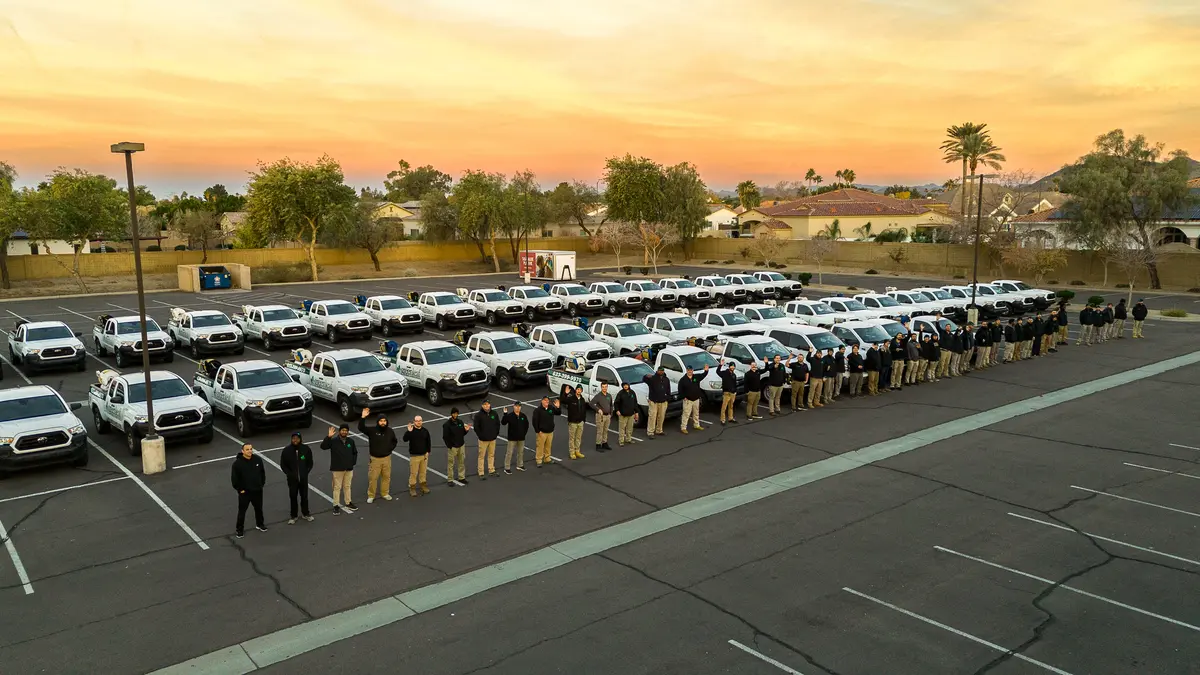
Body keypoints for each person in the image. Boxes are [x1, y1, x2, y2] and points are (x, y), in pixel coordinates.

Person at [358, 408, 397, 504]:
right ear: (378, 422)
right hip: (375, 459)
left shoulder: (390, 431)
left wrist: (389, 449)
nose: (383, 423)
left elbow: (394, 441)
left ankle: (385, 493)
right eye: (381, 421)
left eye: (384, 421)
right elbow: (361, 428)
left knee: (386, 477)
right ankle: (371, 495)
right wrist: (363, 417)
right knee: (373, 478)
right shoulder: (372, 431)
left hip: (387, 458)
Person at [321, 423, 358, 514]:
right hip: (337, 469)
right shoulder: (333, 441)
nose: (344, 432)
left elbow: (355, 453)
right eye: (343, 430)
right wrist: (328, 437)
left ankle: (348, 502)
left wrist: (352, 463)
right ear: (339, 431)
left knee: (347, 486)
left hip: (349, 469)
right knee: (337, 487)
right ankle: (336, 505)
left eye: (346, 430)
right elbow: (323, 447)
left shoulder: (351, 441)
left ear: (348, 432)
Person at [231, 442, 267, 538]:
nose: (250, 451)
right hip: (245, 493)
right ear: (242, 451)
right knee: (242, 511)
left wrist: (261, 484)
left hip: (257, 490)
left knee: (259, 509)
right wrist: (240, 490)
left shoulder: (258, 460)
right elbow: (234, 479)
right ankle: (239, 530)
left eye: (251, 449)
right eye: (247, 449)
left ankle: (260, 524)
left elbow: (262, 473)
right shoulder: (237, 464)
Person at [280, 432, 314, 524]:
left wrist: (305, 473)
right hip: (292, 480)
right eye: (293, 438)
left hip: (303, 479)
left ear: (300, 439)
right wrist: (289, 474)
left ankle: (306, 513)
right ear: (291, 439)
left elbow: (310, 463)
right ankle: (293, 516)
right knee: (293, 497)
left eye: (297, 438)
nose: (295, 440)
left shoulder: (306, 449)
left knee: (304, 497)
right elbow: (283, 465)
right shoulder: (286, 450)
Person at [471, 401, 502, 478]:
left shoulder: (494, 413)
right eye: (485, 404)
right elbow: (476, 427)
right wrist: (481, 436)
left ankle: (491, 469)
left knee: (491, 455)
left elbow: (497, 424)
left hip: (492, 438)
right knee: (481, 456)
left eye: (488, 404)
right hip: (483, 440)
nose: (487, 405)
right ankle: (481, 472)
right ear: (482, 405)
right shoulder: (478, 415)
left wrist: (496, 434)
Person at [403, 416, 432, 496]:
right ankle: (412, 488)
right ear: (414, 422)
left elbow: (428, 442)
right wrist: (408, 431)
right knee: (414, 473)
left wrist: (428, 451)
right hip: (414, 456)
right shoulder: (411, 431)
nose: (419, 422)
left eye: (420, 421)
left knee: (423, 472)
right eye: (417, 421)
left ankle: (423, 486)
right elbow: (405, 439)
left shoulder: (425, 431)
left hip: (424, 456)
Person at [442, 408, 470, 486]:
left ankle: (461, 477)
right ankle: (450, 479)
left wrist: (466, 431)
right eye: (454, 413)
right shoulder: (447, 425)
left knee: (461, 462)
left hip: (461, 445)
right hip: (453, 447)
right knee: (451, 463)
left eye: (456, 413)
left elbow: (462, 433)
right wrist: (450, 446)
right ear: (451, 414)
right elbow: (445, 437)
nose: (455, 415)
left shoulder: (460, 422)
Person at [642, 366, 671, 438]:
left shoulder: (666, 379)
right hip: (654, 401)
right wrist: (646, 376)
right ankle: (650, 432)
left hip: (663, 401)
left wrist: (667, 398)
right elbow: (644, 379)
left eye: (662, 370)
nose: (661, 372)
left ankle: (659, 430)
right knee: (652, 416)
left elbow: (668, 390)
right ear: (657, 371)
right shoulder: (652, 379)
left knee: (661, 416)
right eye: (659, 370)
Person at [500, 402, 530, 472]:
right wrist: (505, 414)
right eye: (516, 406)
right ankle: (507, 467)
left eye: (519, 406)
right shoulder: (510, 416)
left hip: (521, 438)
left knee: (521, 452)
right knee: (509, 453)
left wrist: (523, 434)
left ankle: (520, 465)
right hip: (512, 438)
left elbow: (526, 425)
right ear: (513, 407)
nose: (518, 408)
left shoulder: (523, 416)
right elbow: (503, 423)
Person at [533, 396, 561, 464]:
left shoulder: (551, 408)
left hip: (550, 432)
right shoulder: (537, 410)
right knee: (540, 447)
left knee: (548, 446)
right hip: (542, 432)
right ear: (542, 401)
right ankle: (539, 460)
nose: (547, 402)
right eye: (545, 400)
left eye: (547, 400)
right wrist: (538, 431)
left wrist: (558, 407)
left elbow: (558, 413)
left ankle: (547, 458)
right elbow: (534, 421)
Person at [563, 385, 588, 458]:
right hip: (573, 422)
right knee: (572, 438)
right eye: (577, 389)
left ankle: (577, 451)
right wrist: (566, 394)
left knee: (578, 438)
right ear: (575, 390)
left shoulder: (582, 400)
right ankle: (572, 452)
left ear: (582, 391)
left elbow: (584, 411)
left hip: (580, 422)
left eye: (580, 389)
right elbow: (563, 400)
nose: (579, 391)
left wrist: (583, 420)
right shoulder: (571, 399)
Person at [590, 382, 614, 450]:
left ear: (607, 387)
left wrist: (611, 413)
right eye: (603, 387)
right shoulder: (598, 396)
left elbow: (611, 405)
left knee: (606, 430)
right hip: (600, 416)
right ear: (601, 387)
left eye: (605, 387)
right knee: (600, 431)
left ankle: (604, 443)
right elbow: (591, 403)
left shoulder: (609, 395)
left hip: (607, 416)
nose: (604, 388)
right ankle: (598, 445)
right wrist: (598, 410)